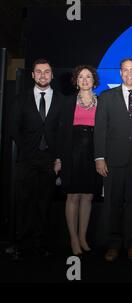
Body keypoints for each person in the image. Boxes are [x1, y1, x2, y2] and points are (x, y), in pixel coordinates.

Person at [94, 58, 132, 262]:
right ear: (120, 73)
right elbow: (100, 129)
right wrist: (100, 158)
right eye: (125, 70)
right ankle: (113, 244)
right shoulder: (106, 97)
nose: (129, 74)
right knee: (113, 203)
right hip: (112, 160)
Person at [9, 58, 64, 260]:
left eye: (46, 71)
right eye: (39, 72)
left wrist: (58, 157)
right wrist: (27, 150)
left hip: (50, 160)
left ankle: (41, 245)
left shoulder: (60, 99)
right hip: (27, 158)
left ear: (52, 75)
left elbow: (61, 131)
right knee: (24, 202)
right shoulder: (21, 98)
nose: (42, 75)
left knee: (44, 203)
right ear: (32, 75)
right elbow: (13, 128)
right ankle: (21, 245)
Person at [57, 65, 102, 256]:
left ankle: (83, 237)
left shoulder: (101, 102)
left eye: (88, 77)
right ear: (76, 81)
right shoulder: (67, 102)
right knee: (73, 196)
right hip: (72, 152)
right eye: (81, 77)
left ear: (94, 81)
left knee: (88, 196)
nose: (85, 80)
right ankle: (73, 239)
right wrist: (59, 157)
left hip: (93, 153)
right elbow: (60, 133)